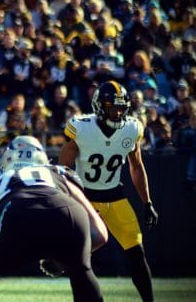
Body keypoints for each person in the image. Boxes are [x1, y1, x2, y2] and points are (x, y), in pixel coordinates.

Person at [0, 135, 108, 302]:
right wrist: (66, 257)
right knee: (81, 272)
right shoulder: (59, 173)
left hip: (17, 214)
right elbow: (100, 234)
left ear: (6, 160)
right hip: (68, 212)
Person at [59, 81, 159, 302]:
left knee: (137, 254)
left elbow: (136, 167)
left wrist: (147, 202)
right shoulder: (82, 128)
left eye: (121, 108)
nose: (117, 113)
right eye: (113, 107)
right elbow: (63, 170)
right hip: (86, 199)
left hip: (115, 197)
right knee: (80, 257)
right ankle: (60, 259)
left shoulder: (132, 129)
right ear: (100, 107)